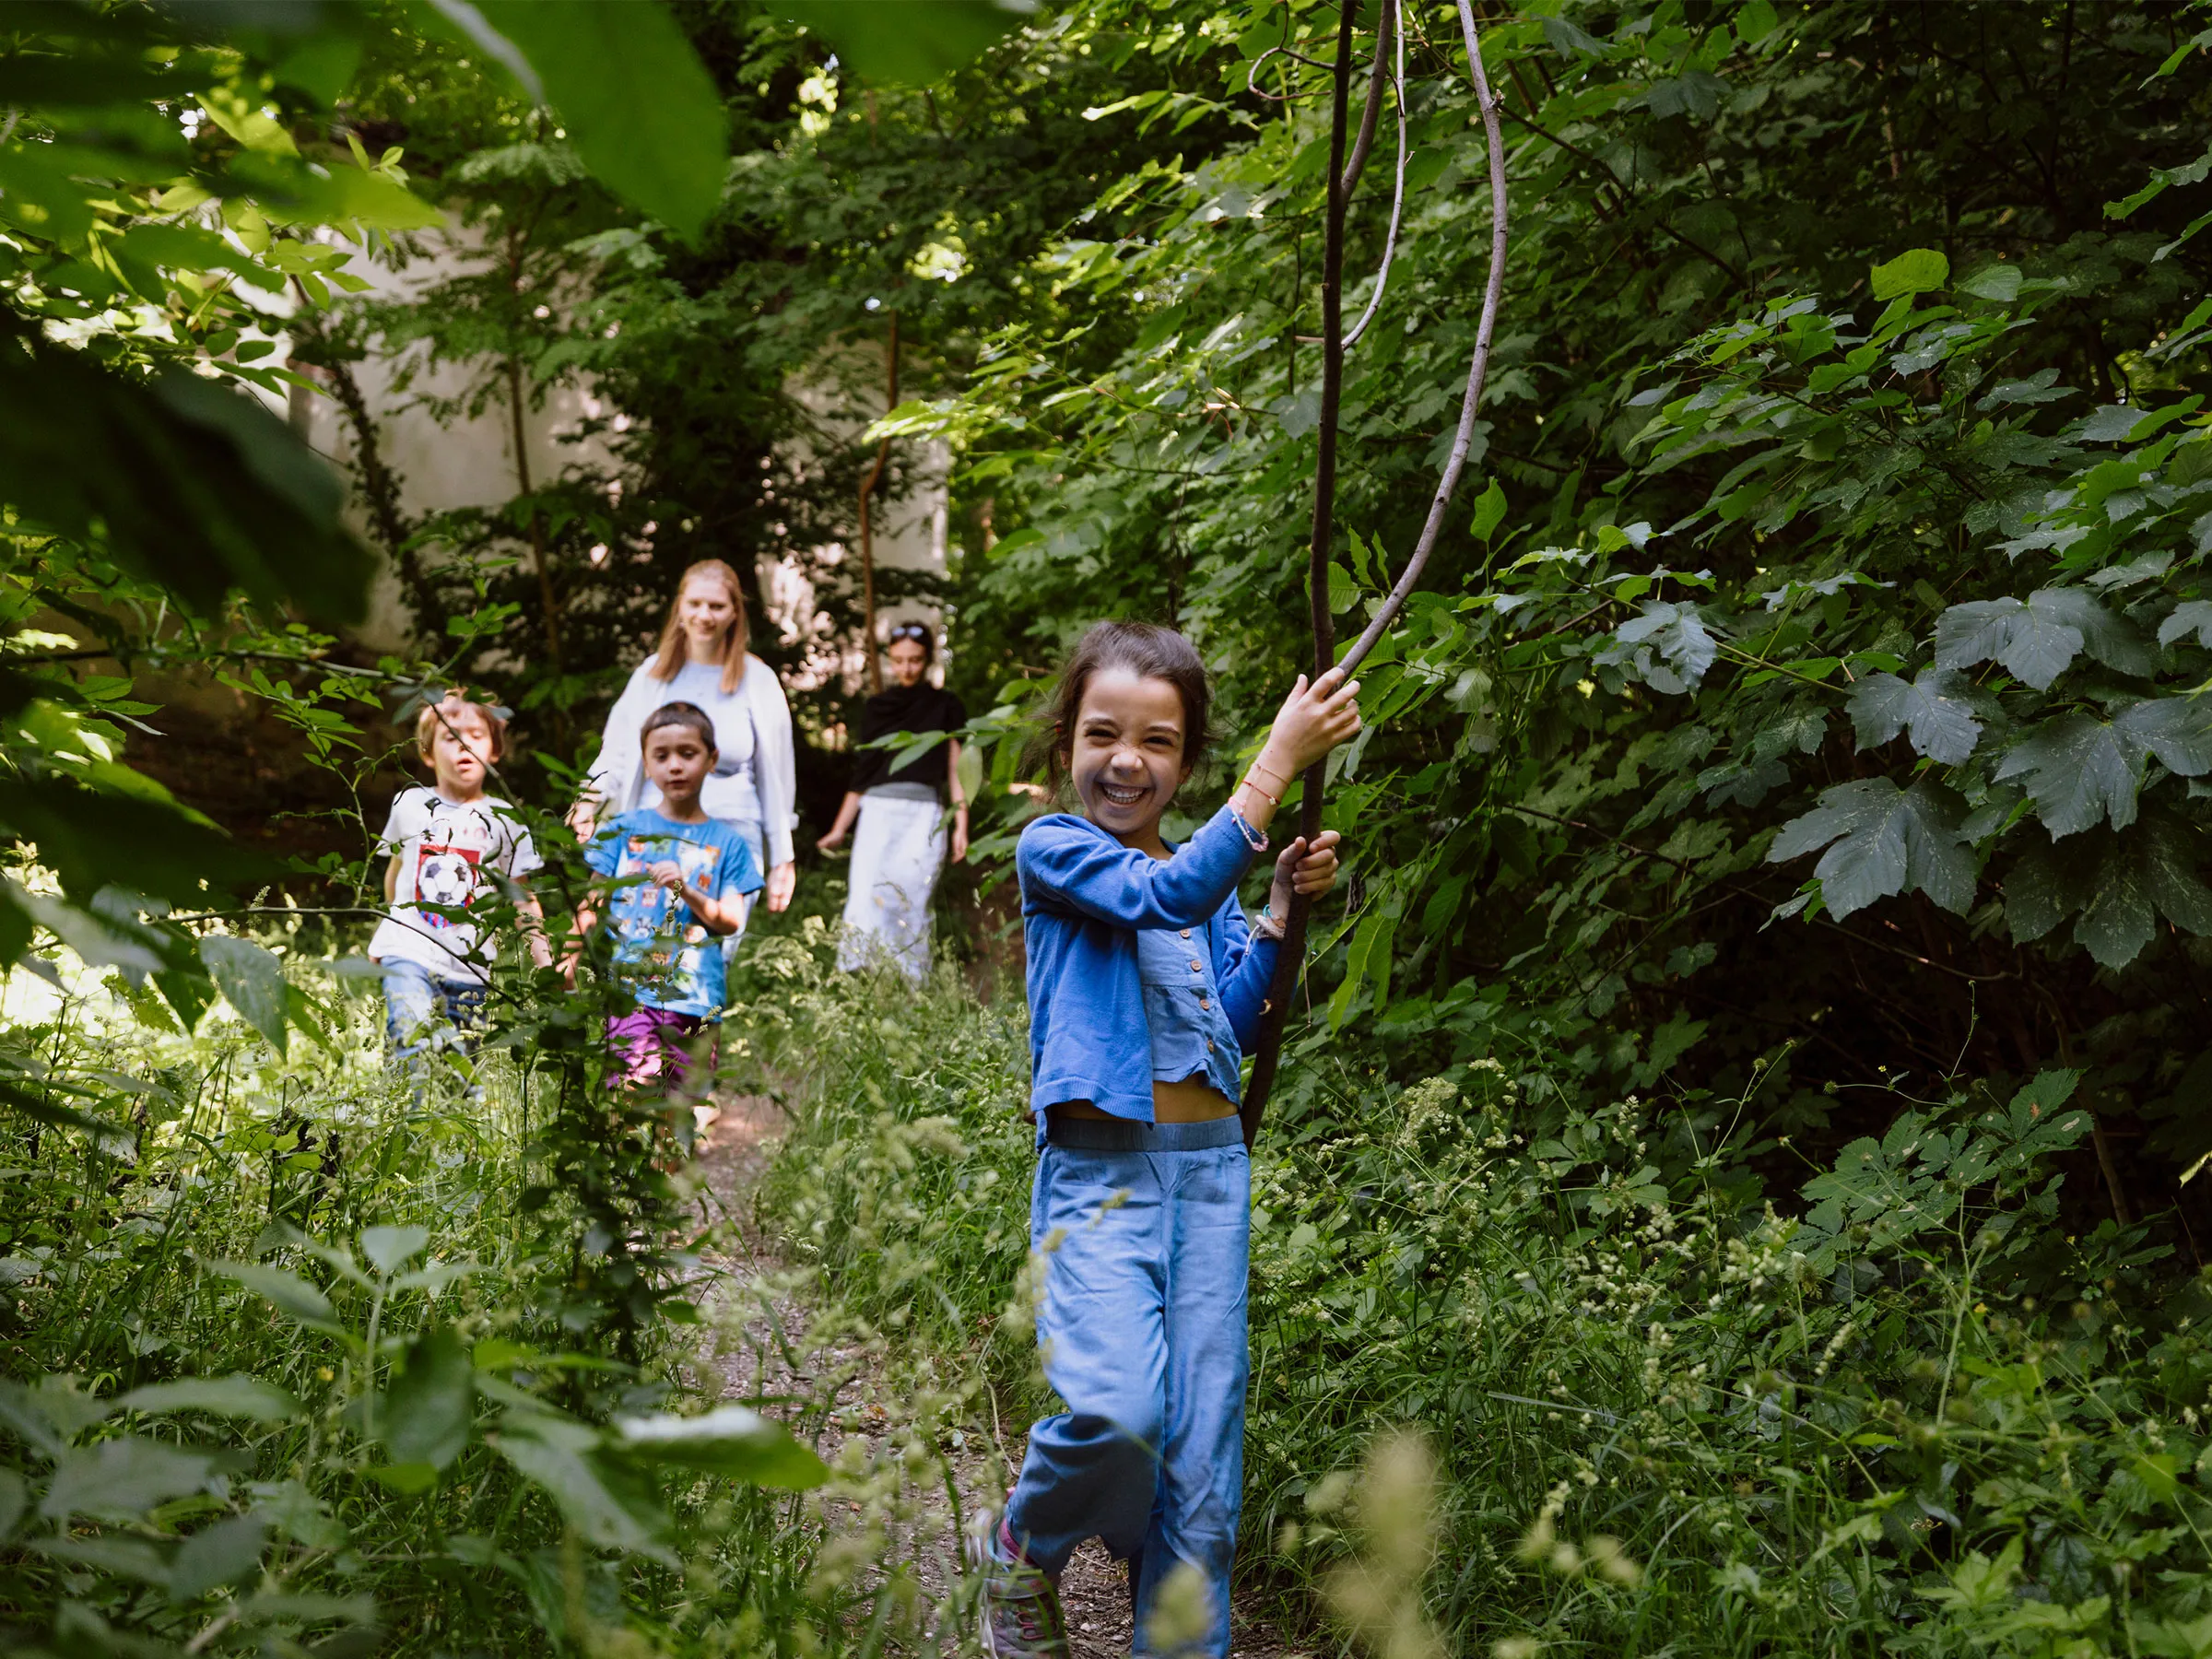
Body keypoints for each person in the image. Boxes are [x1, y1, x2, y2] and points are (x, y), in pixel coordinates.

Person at [971, 621, 1359, 1659]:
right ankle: (1022, 1545)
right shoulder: (1057, 851)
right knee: (1121, 1408)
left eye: (1157, 741)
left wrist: (1273, 916)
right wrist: (1279, 765)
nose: (1127, 760)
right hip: (1101, 1179)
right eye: (1104, 733)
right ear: (1066, 748)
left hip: (1210, 1178)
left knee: (1200, 1462)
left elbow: (1226, 1030)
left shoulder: (1209, 881)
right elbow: (1157, 895)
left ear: (1184, 763)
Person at [571, 559, 797, 961]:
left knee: (703, 956)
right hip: (655, 828)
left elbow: (778, 777)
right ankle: (635, 1026)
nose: (704, 616)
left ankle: (695, 1027)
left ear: (734, 614)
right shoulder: (652, 676)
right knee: (642, 948)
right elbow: (619, 750)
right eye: (695, 604)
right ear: (679, 608)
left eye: (716, 606)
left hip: (730, 834)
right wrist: (588, 799)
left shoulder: (757, 680)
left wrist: (783, 857)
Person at [567, 701, 763, 1098]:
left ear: (712, 760)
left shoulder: (729, 844)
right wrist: (566, 960)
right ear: (647, 763)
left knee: (678, 1113)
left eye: (687, 754)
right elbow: (592, 901)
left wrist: (686, 889)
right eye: (662, 756)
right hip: (630, 992)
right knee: (630, 1092)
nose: (675, 765)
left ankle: (668, 1161)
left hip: (697, 997)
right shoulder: (624, 829)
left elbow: (730, 920)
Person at [368, 694, 550, 1074]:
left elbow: (522, 897)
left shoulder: (505, 820)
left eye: (475, 735)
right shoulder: (410, 803)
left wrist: (546, 964)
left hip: (471, 964)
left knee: (463, 1070)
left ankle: (455, 1127)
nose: (463, 744)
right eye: (450, 736)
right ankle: (403, 1122)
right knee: (409, 1033)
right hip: (409, 949)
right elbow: (397, 872)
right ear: (429, 753)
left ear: (495, 750)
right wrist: (389, 930)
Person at [817, 620, 970, 980]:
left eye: (915, 659)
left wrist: (961, 823)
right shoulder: (878, 707)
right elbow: (864, 774)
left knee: (913, 898)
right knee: (866, 896)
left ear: (928, 658)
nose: (907, 668)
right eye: (899, 660)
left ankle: (913, 984)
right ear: (889, 659)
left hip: (924, 815)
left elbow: (955, 767)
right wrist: (839, 829)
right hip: (877, 815)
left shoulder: (946, 705)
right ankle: (866, 980)